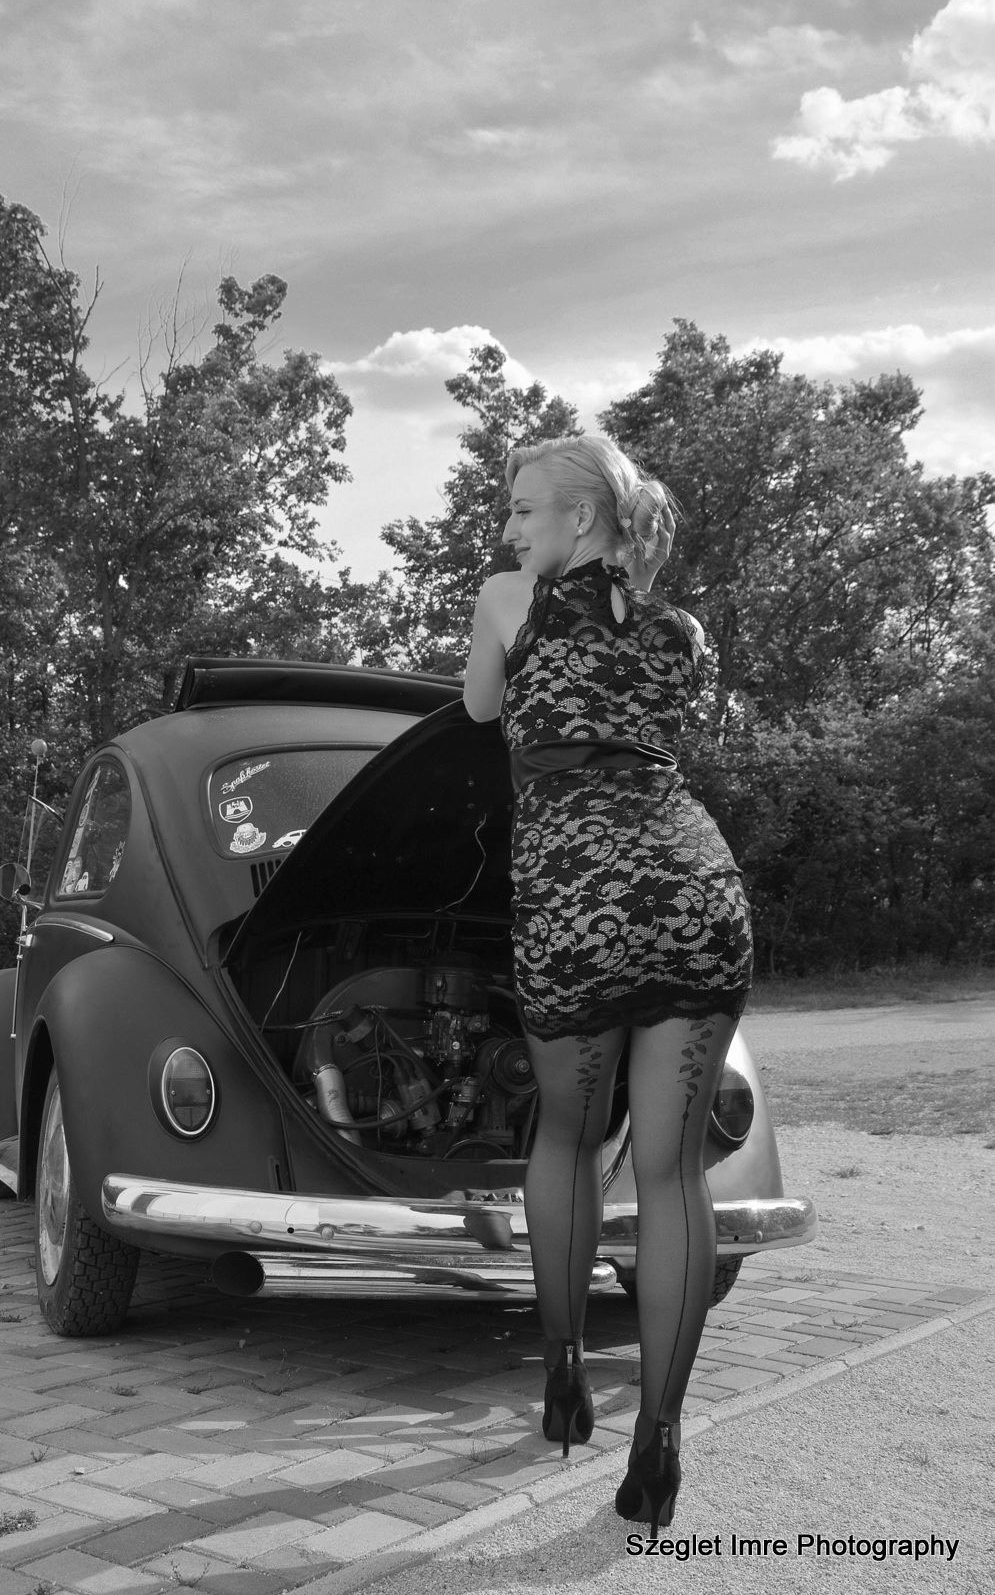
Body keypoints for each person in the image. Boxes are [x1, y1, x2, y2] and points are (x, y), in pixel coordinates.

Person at [463, 434, 753, 1537]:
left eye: (523, 510)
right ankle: (659, 1441)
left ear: (578, 520)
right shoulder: (686, 632)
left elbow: (479, 711)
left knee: (566, 1136)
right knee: (671, 1172)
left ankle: (562, 1374)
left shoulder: (508, 600)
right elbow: (648, 731)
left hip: (577, 896)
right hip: (694, 891)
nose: (509, 531)